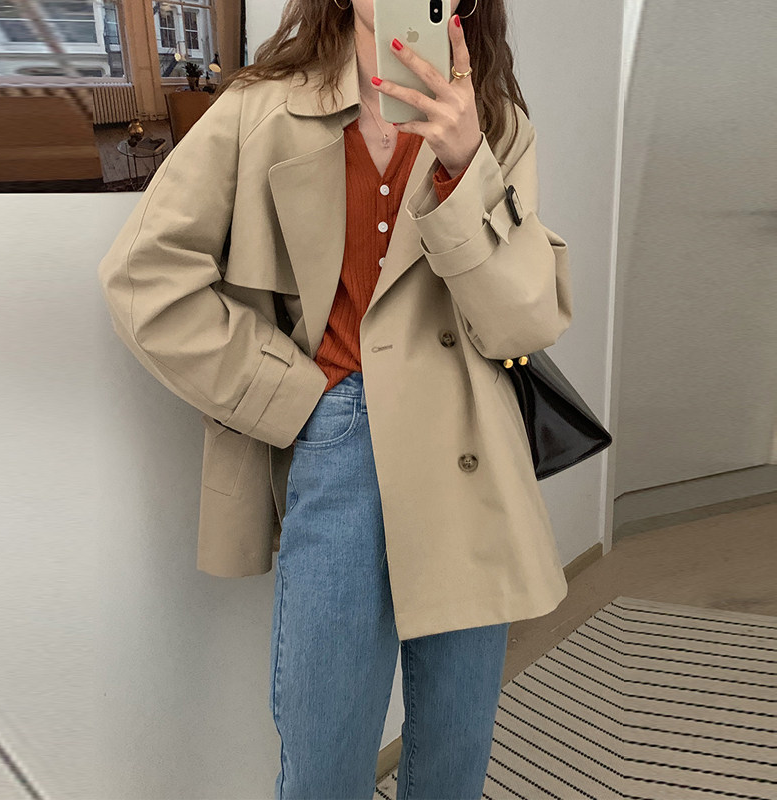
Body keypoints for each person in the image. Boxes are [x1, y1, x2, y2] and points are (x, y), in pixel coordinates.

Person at [97, 0, 574, 797]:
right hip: (338, 437)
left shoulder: (492, 120)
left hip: (468, 449)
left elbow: (524, 321)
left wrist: (466, 166)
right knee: (325, 758)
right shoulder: (258, 110)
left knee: (454, 759)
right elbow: (145, 277)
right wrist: (293, 396)